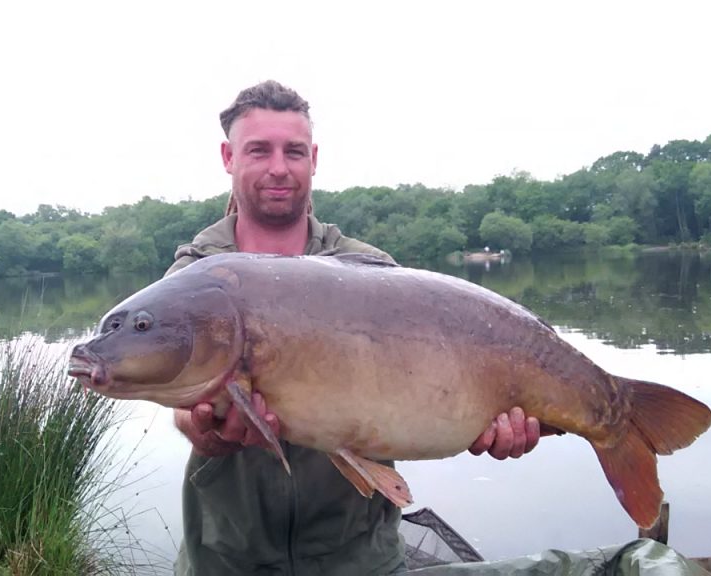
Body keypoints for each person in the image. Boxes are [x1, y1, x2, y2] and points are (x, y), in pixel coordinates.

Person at [166, 80, 545, 576]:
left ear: (314, 158)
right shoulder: (197, 277)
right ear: (228, 156)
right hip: (230, 557)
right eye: (259, 150)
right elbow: (182, 408)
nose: (279, 167)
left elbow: (429, 391)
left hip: (361, 556)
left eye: (294, 151)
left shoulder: (372, 272)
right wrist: (207, 431)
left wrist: (488, 417)